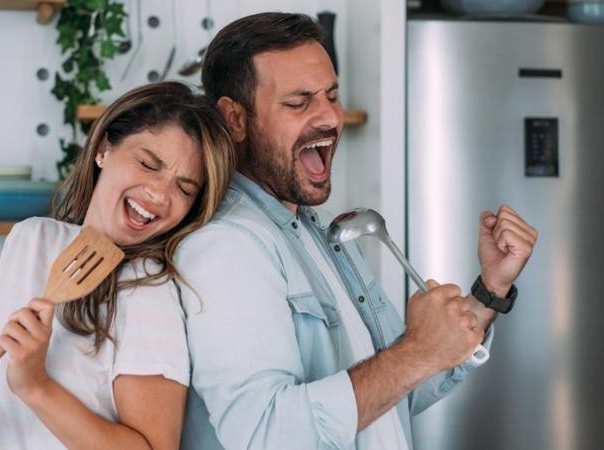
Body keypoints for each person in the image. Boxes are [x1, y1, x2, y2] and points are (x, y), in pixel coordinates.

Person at [175, 12, 538, 450]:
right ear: (235, 119)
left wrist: (490, 289)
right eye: (299, 102)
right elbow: (265, 434)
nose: (330, 117)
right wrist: (415, 352)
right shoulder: (226, 247)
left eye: (332, 96)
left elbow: (399, 388)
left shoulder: (316, 233)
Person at [0, 81, 236, 449]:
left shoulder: (148, 289)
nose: (159, 194)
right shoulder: (30, 240)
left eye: (184, 189)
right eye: (148, 164)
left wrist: (36, 386)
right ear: (104, 148)